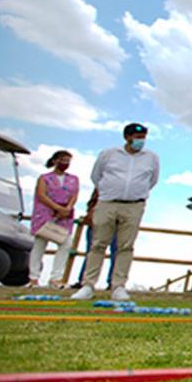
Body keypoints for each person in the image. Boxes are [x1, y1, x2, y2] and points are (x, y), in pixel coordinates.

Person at [72, 123, 160, 301]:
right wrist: (110, 191)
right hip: (108, 203)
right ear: (127, 137)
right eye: (137, 137)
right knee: (98, 244)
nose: (140, 141)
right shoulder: (108, 154)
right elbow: (96, 177)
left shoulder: (151, 157)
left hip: (134, 205)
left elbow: (152, 180)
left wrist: (135, 193)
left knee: (125, 246)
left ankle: (118, 286)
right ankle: (88, 285)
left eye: (143, 137)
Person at [28, 150, 79, 287]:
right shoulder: (44, 178)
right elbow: (42, 195)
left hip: (64, 217)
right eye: (63, 160)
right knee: (39, 245)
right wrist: (56, 208)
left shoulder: (73, 179)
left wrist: (67, 208)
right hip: (45, 215)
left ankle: (56, 278)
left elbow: (74, 195)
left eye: (68, 161)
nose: (65, 163)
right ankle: (33, 278)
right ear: (55, 161)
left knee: (65, 244)